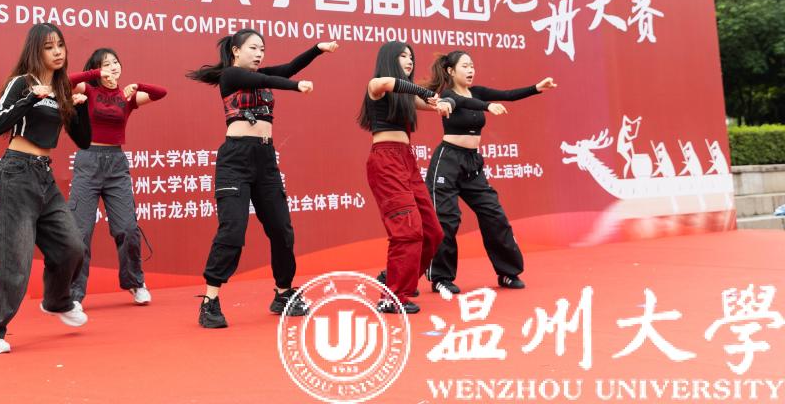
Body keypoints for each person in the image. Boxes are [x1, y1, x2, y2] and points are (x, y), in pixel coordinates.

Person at [187, 29, 337, 329]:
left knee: (282, 230)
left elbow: (289, 68)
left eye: (262, 49)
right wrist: (296, 87)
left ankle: (283, 294)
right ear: (235, 51)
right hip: (235, 160)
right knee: (233, 230)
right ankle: (210, 301)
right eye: (253, 48)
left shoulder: (261, 74)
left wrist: (317, 49)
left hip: (266, 161)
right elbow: (273, 80)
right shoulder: (231, 75)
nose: (259, 54)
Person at [0, 23, 93, 355]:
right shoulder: (22, 83)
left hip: (43, 176)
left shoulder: (62, 90)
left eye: (60, 46)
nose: (57, 52)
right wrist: (30, 97)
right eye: (49, 47)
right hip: (16, 173)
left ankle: (57, 301)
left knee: (71, 247)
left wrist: (80, 107)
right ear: (35, 52)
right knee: (13, 263)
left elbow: (83, 140)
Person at [424, 50, 557, 294]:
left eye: (472, 66)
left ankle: (508, 272)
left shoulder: (478, 92)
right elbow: (458, 103)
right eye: (465, 66)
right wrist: (486, 106)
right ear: (451, 71)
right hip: (447, 162)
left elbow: (508, 95)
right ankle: (441, 278)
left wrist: (536, 88)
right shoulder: (448, 95)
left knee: (494, 215)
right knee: (446, 220)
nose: (471, 70)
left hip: (472, 164)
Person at [68, 48, 167, 307]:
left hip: (116, 165)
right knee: (80, 232)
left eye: (115, 62)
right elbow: (65, 81)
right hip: (88, 162)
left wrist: (138, 86)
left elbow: (161, 93)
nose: (112, 67)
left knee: (128, 229)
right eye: (106, 64)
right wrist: (94, 74)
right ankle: (74, 294)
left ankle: (135, 282)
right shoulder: (89, 91)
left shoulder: (127, 97)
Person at [358, 42, 451, 314]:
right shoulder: (376, 85)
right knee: (407, 231)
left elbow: (433, 103)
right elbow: (388, 83)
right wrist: (424, 92)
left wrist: (443, 104)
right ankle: (393, 296)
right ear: (389, 59)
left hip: (406, 160)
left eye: (411, 57)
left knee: (433, 232)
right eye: (402, 56)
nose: (409, 61)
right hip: (385, 161)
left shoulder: (406, 97)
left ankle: (394, 278)